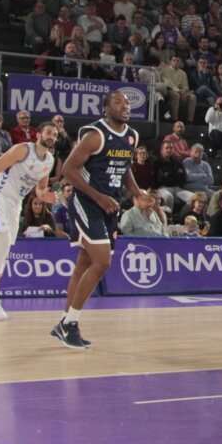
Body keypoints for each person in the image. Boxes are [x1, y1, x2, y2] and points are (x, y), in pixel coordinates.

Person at [54, 91, 151, 350]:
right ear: (106, 108)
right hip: (88, 202)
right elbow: (67, 170)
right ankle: (70, 323)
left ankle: (63, 321)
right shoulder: (94, 135)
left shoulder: (131, 135)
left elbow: (124, 166)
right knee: (102, 262)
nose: (125, 107)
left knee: (84, 262)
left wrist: (137, 192)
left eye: (127, 103)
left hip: (110, 204)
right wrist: (97, 197)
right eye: (118, 103)